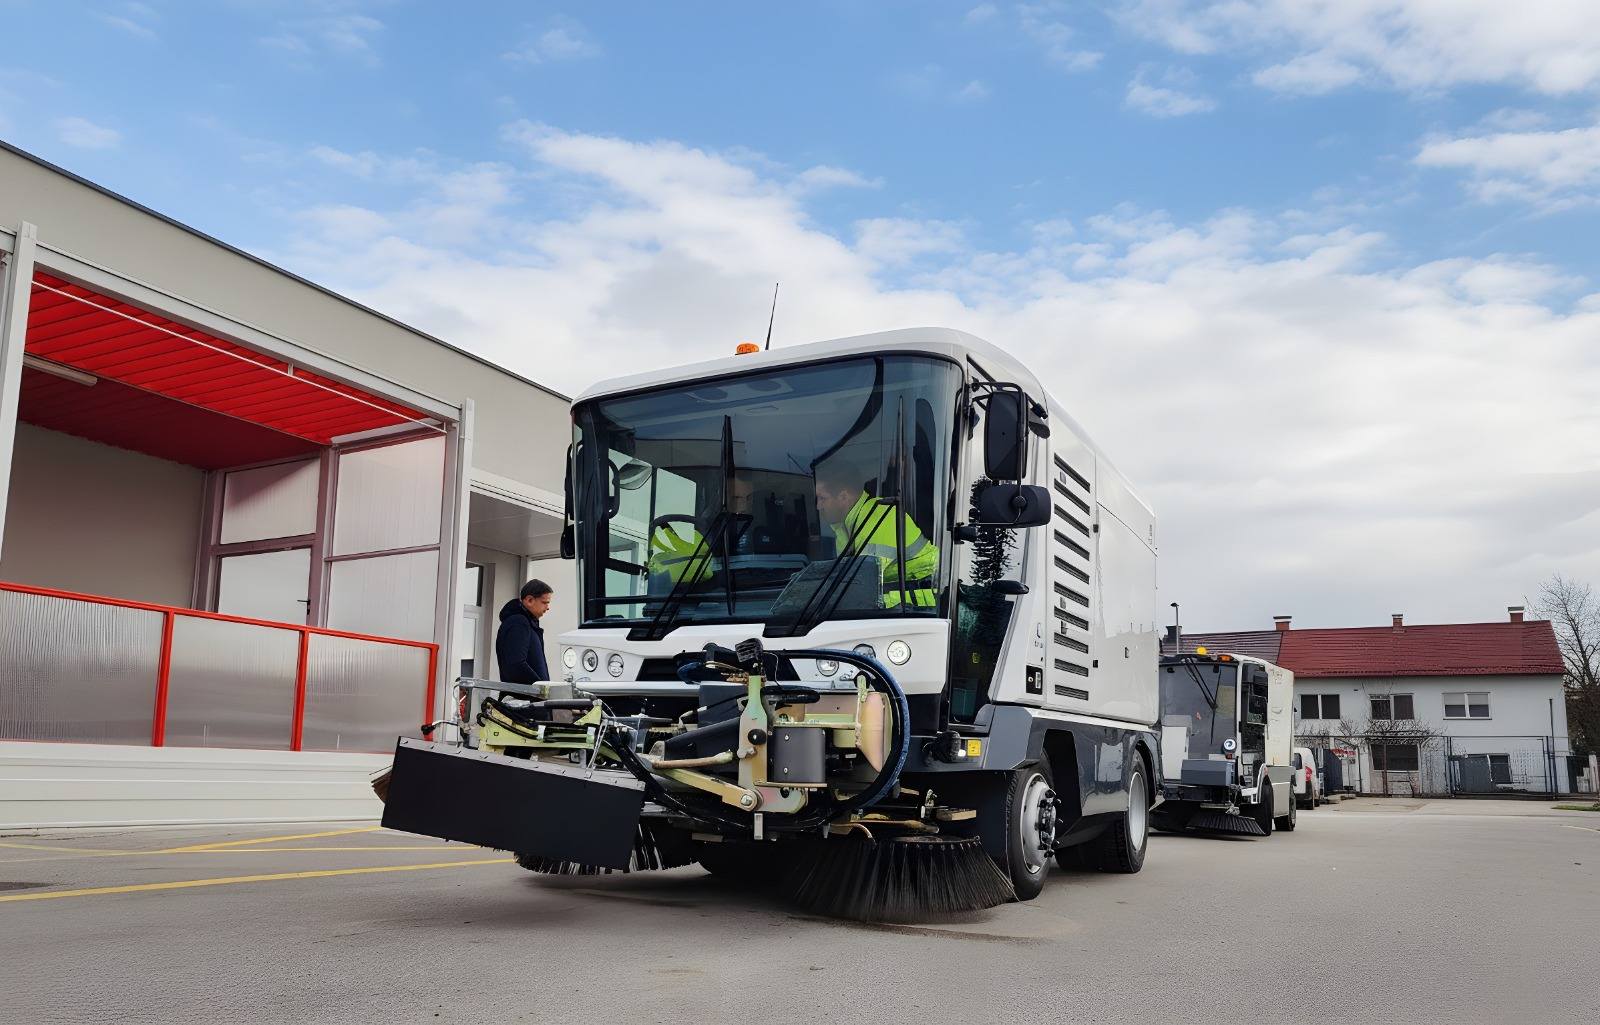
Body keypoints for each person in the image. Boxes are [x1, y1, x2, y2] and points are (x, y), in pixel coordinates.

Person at [814, 460, 938, 608]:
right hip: (898, 609)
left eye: (822, 498)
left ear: (843, 496)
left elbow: (859, 586)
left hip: (925, 609)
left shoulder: (880, 518)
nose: (818, 506)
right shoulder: (845, 528)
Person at [496, 579, 552, 684]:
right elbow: (515, 664)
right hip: (523, 698)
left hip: (526, 697)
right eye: (544, 602)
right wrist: (541, 688)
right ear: (529, 600)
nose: (547, 608)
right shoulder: (518, 622)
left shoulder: (524, 623)